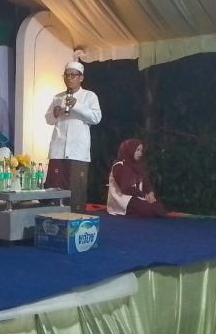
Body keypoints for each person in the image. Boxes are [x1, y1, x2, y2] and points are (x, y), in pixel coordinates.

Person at [44, 61, 102, 212]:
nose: (69, 78)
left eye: (73, 75)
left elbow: (96, 118)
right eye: (66, 75)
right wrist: (54, 114)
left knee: (76, 193)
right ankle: (53, 221)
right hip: (58, 150)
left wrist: (77, 105)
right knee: (54, 192)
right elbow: (48, 119)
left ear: (81, 78)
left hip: (78, 152)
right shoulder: (58, 97)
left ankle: (76, 222)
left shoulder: (89, 96)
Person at [106, 138, 167, 217]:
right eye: (137, 150)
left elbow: (146, 183)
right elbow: (126, 189)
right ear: (130, 150)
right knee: (146, 208)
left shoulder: (138, 166)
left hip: (137, 196)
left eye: (141, 151)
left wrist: (151, 193)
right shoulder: (119, 166)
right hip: (122, 199)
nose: (140, 153)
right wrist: (144, 196)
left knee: (159, 208)